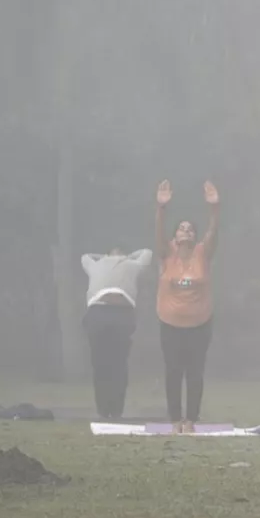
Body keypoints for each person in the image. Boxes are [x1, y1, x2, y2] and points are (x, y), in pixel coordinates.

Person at [154, 179, 220, 434]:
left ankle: (190, 420)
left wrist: (214, 208)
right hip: (170, 323)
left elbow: (214, 231)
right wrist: (161, 208)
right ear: (175, 235)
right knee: (173, 371)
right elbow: (158, 232)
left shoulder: (203, 253)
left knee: (195, 372)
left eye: (191, 229)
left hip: (200, 323)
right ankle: (174, 421)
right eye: (182, 229)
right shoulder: (166, 252)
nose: (186, 232)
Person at [80, 246, 153, 420]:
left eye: (119, 252)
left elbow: (147, 253)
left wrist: (126, 257)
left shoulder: (132, 265)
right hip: (98, 311)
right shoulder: (96, 266)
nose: (116, 255)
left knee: (119, 363)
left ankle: (116, 410)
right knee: (100, 364)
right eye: (113, 252)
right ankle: (103, 410)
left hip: (122, 312)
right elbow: (85, 256)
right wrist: (105, 257)